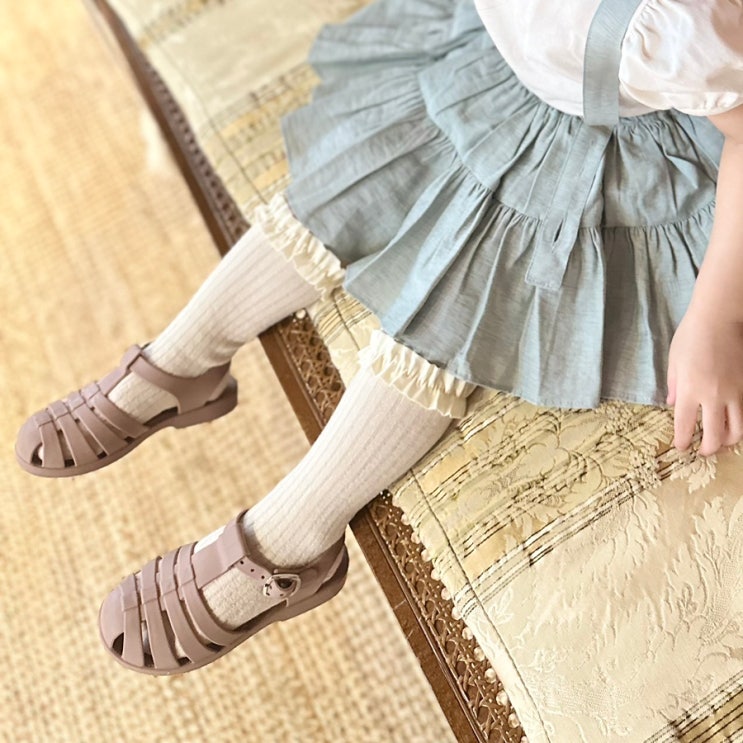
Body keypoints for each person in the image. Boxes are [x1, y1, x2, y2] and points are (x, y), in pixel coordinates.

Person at [15, 0, 743, 674]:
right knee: (351, 181)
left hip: (628, 144)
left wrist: (715, 316)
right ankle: (181, 361)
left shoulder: (682, 23)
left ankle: (291, 538)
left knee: (461, 296)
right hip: (494, 75)